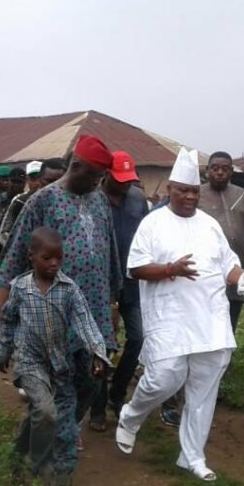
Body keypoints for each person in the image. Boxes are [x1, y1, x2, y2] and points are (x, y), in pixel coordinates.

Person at [114, 148, 244, 482]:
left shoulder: (209, 226)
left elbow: (228, 264)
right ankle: (131, 416)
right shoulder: (154, 223)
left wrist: (243, 277)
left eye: (194, 191)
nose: (191, 196)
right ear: (170, 190)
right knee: (165, 377)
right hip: (170, 317)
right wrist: (170, 269)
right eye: (184, 190)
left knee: (203, 391)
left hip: (210, 318)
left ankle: (192, 456)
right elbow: (135, 268)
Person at [0, 135, 120, 449]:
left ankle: (61, 432)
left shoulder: (100, 199)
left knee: (89, 380)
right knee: (51, 389)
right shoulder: (42, 201)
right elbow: (15, 257)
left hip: (95, 310)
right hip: (51, 312)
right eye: (94, 177)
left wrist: (113, 304)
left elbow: (109, 253)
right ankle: (38, 448)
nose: (97, 183)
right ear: (76, 167)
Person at [0, 227, 108, 486]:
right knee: (46, 411)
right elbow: (9, 318)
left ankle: (27, 462)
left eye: (59, 258)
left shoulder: (69, 289)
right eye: (48, 258)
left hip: (60, 364)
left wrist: (97, 353)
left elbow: (85, 322)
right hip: (29, 362)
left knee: (57, 419)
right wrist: (4, 349)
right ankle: (42, 470)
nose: (54, 263)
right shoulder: (20, 288)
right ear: (31, 256)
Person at [88, 150, 149, 432]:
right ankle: (97, 407)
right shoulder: (91, 200)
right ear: (106, 176)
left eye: (129, 180)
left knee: (138, 337)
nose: (125, 185)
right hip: (102, 283)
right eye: (119, 179)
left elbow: (147, 234)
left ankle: (118, 391)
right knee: (102, 347)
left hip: (133, 281)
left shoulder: (137, 199)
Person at [198, 151, 244, 333]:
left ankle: (226, 359)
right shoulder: (197, 195)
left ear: (231, 172)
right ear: (207, 171)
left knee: (230, 320)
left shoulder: (242, 195)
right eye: (215, 168)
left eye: (225, 169)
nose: (220, 173)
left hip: (236, 268)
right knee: (207, 321)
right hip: (207, 270)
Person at [0, 159, 66, 248]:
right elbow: (4, 232)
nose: (53, 186)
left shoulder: (68, 204)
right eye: (33, 178)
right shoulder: (21, 201)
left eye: (57, 181)